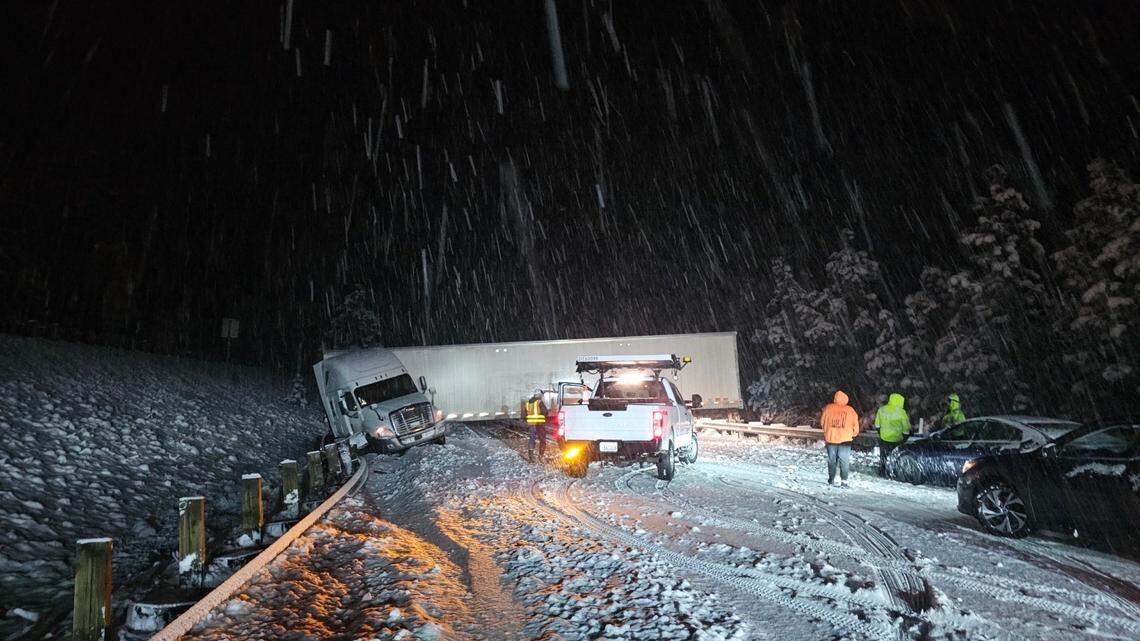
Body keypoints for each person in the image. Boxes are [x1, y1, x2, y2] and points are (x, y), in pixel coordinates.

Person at [820, 390, 860, 487]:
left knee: (832, 460)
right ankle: (844, 481)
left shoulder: (828, 408)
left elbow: (822, 423)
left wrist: (827, 431)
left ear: (835, 398)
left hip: (831, 438)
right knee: (844, 460)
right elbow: (856, 426)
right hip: (845, 440)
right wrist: (853, 434)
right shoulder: (850, 410)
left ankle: (831, 479)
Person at [874, 393, 912, 477]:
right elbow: (906, 428)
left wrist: (881, 433)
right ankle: (893, 472)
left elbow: (877, 425)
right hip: (897, 439)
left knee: (883, 456)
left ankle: (882, 471)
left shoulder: (881, 409)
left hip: (884, 438)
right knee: (895, 456)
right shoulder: (902, 412)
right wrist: (905, 438)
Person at [525, 391, 548, 463]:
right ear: (539, 395)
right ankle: (541, 457)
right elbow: (545, 412)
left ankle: (531, 458)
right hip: (539, 423)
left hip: (531, 424)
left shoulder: (527, 403)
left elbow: (526, 414)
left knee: (532, 439)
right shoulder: (539, 402)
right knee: (543, 440)